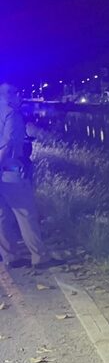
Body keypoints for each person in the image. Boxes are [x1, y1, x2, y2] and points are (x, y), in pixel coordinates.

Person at [0, 84, 64, 269]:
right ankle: (39, 257)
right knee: (26, 214)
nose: (19, 96)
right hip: (10, 171)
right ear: (10, 95)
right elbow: (8, 145)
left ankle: (11, 256)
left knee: (2, 216)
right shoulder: (11, 113)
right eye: (16, 93)